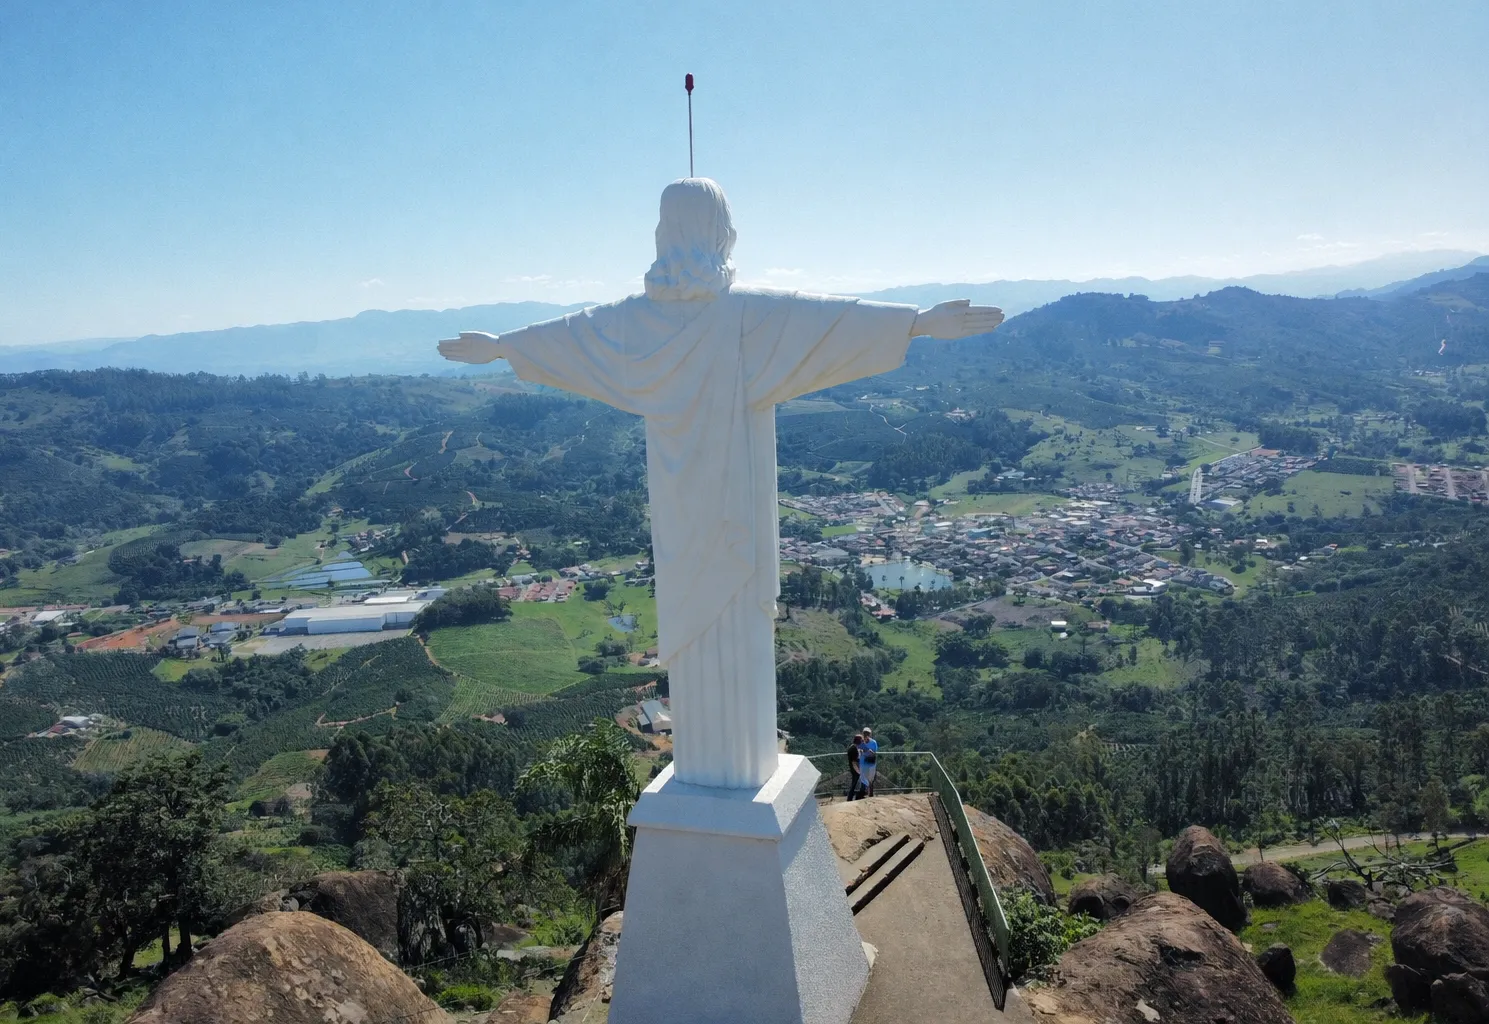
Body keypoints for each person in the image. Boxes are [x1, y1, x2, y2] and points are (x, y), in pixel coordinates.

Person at [858, 727, 879, 798]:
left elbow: (874, 753)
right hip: (863, 763)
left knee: (871, 778)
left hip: (871, 762)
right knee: (863, 778)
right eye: (865, 733)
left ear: (870, 734)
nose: (866, 735)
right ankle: (863, 793)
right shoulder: (860, 742)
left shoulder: (873, 742)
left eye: (867, 733)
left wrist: (867, 752)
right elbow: (859, 751)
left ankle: (870, 793)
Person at [845, 732, 863, 801]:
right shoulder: (853, 749)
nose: (862, 741)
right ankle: (850, 798)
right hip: (855, 768)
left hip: (855, 768)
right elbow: (853, 762)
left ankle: (851, 797)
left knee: (855, 783)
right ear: (858, 740)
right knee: (854, 783)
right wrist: (858, 771)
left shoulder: (855, 747)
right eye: (861, 740)